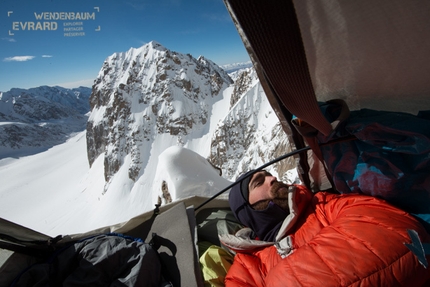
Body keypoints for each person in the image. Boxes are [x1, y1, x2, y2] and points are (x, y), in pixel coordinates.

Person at [220, 170, 430, 286]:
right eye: (259, 182)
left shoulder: (322, 205)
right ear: (246, 210)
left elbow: (399, 233)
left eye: (268, 174)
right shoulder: (246, 268)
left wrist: (286, 279)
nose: (272, 178)